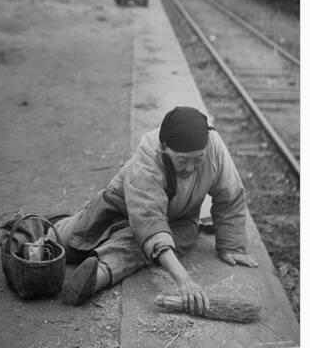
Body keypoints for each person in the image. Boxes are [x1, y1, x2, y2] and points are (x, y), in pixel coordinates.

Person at [50, 106, 258, 310]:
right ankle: (35, 238)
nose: (190, 168)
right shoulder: (150, 151)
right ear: (166, 148)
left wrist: (231, 245)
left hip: (178, 220)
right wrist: (184, 279)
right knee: (70, 240)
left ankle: (96, 276)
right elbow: (148, 220)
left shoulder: (213, 147)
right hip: (117, 206)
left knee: (135, 246)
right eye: (182, 160)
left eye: (198, 160)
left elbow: (230, 195)